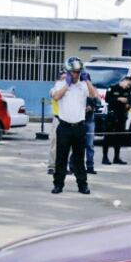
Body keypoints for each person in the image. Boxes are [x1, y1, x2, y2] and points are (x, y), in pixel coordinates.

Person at [50, 56, 99, 195]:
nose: (76, 74)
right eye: (73, 72)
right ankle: (58, 185)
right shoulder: (60, 84)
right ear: (68, 71)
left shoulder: (83, 85)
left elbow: (94, 94)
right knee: (61, 158)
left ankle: (82, 185)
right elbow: (56, 96)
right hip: (64, 126)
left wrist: (87, 80)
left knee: (79, 158)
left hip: (79, 127)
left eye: (78, 72)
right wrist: (67, 84)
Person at [102, 75, 131, 165]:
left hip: (122, 115)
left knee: (119, 137)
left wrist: (128, 104)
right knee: (108, 137)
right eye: (128, 84)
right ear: (124, 81)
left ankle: (117, 157)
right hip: (112, 115)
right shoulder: (112, 88)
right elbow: (107, 99)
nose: (129, 86)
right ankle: (105, 157)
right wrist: (118, 99)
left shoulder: (127, 91)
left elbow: (130, 100)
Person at [47, 69, 63, 175]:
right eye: (63, 78)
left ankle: (63, 166)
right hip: (58, 119)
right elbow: (55, 96)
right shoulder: (54, 89)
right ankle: (52, 165)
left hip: (68, 120)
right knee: (54, 144)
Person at [84, 95, 99, 174]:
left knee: (90, 145)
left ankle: (90, 166)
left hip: (89, 120)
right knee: (77, 145)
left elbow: (98, 103)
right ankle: (73, 166)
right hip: (78, 120)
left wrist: (91, 107)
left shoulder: (91, 91)